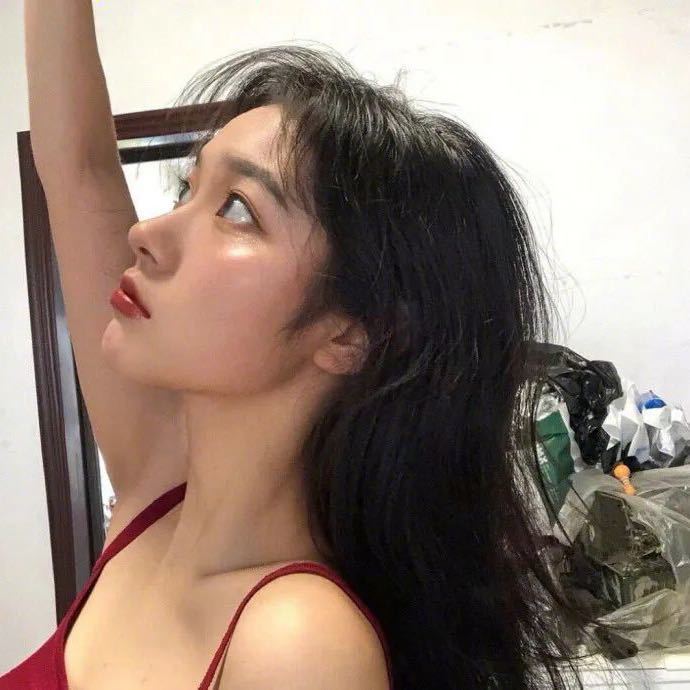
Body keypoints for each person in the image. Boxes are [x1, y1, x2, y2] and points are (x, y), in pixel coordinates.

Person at [3, 2, 626, 689]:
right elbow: (79, 169)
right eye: (189, 188)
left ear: (352, 331)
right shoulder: (157, 496)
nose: (146, 234)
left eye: (237, 208)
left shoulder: (297, 644)